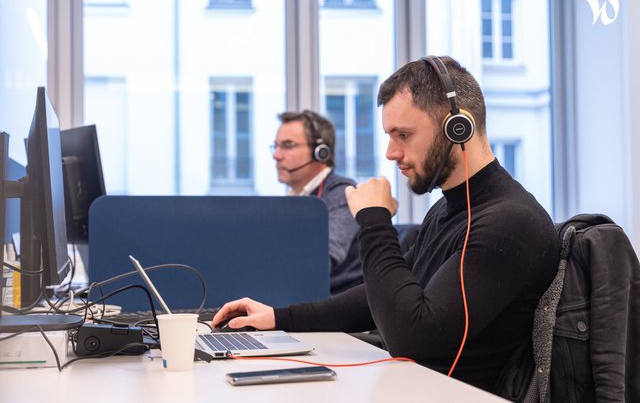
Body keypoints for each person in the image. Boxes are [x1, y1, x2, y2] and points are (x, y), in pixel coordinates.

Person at [213, 56, 560, 397]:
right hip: (410, 388)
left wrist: (374, 220)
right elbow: (376, 298)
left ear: (459, 127)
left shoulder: (509, 222)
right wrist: (277, 316)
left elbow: (413, 337)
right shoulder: (447, 209)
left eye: (404, 135)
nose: (391, 153)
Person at [271, 110, 363, 295]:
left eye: (288, 146)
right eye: (276, 146)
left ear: (320, 152)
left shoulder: (342, 193)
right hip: (300, 298)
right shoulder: (294, 201)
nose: (277, 155)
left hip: (338, 305)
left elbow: (321, 260)